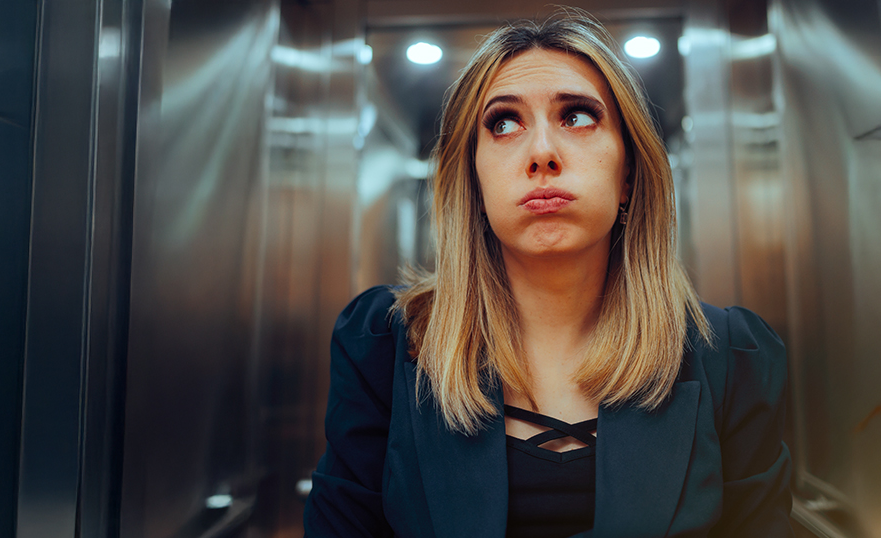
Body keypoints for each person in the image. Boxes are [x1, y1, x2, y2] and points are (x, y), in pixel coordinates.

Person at [304, 11, 791, 538]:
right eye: (504, 123)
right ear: (474, 179)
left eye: (577, 117)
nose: (541, 154)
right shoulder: (381, 347)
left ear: (628, 173)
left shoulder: (732, 359)